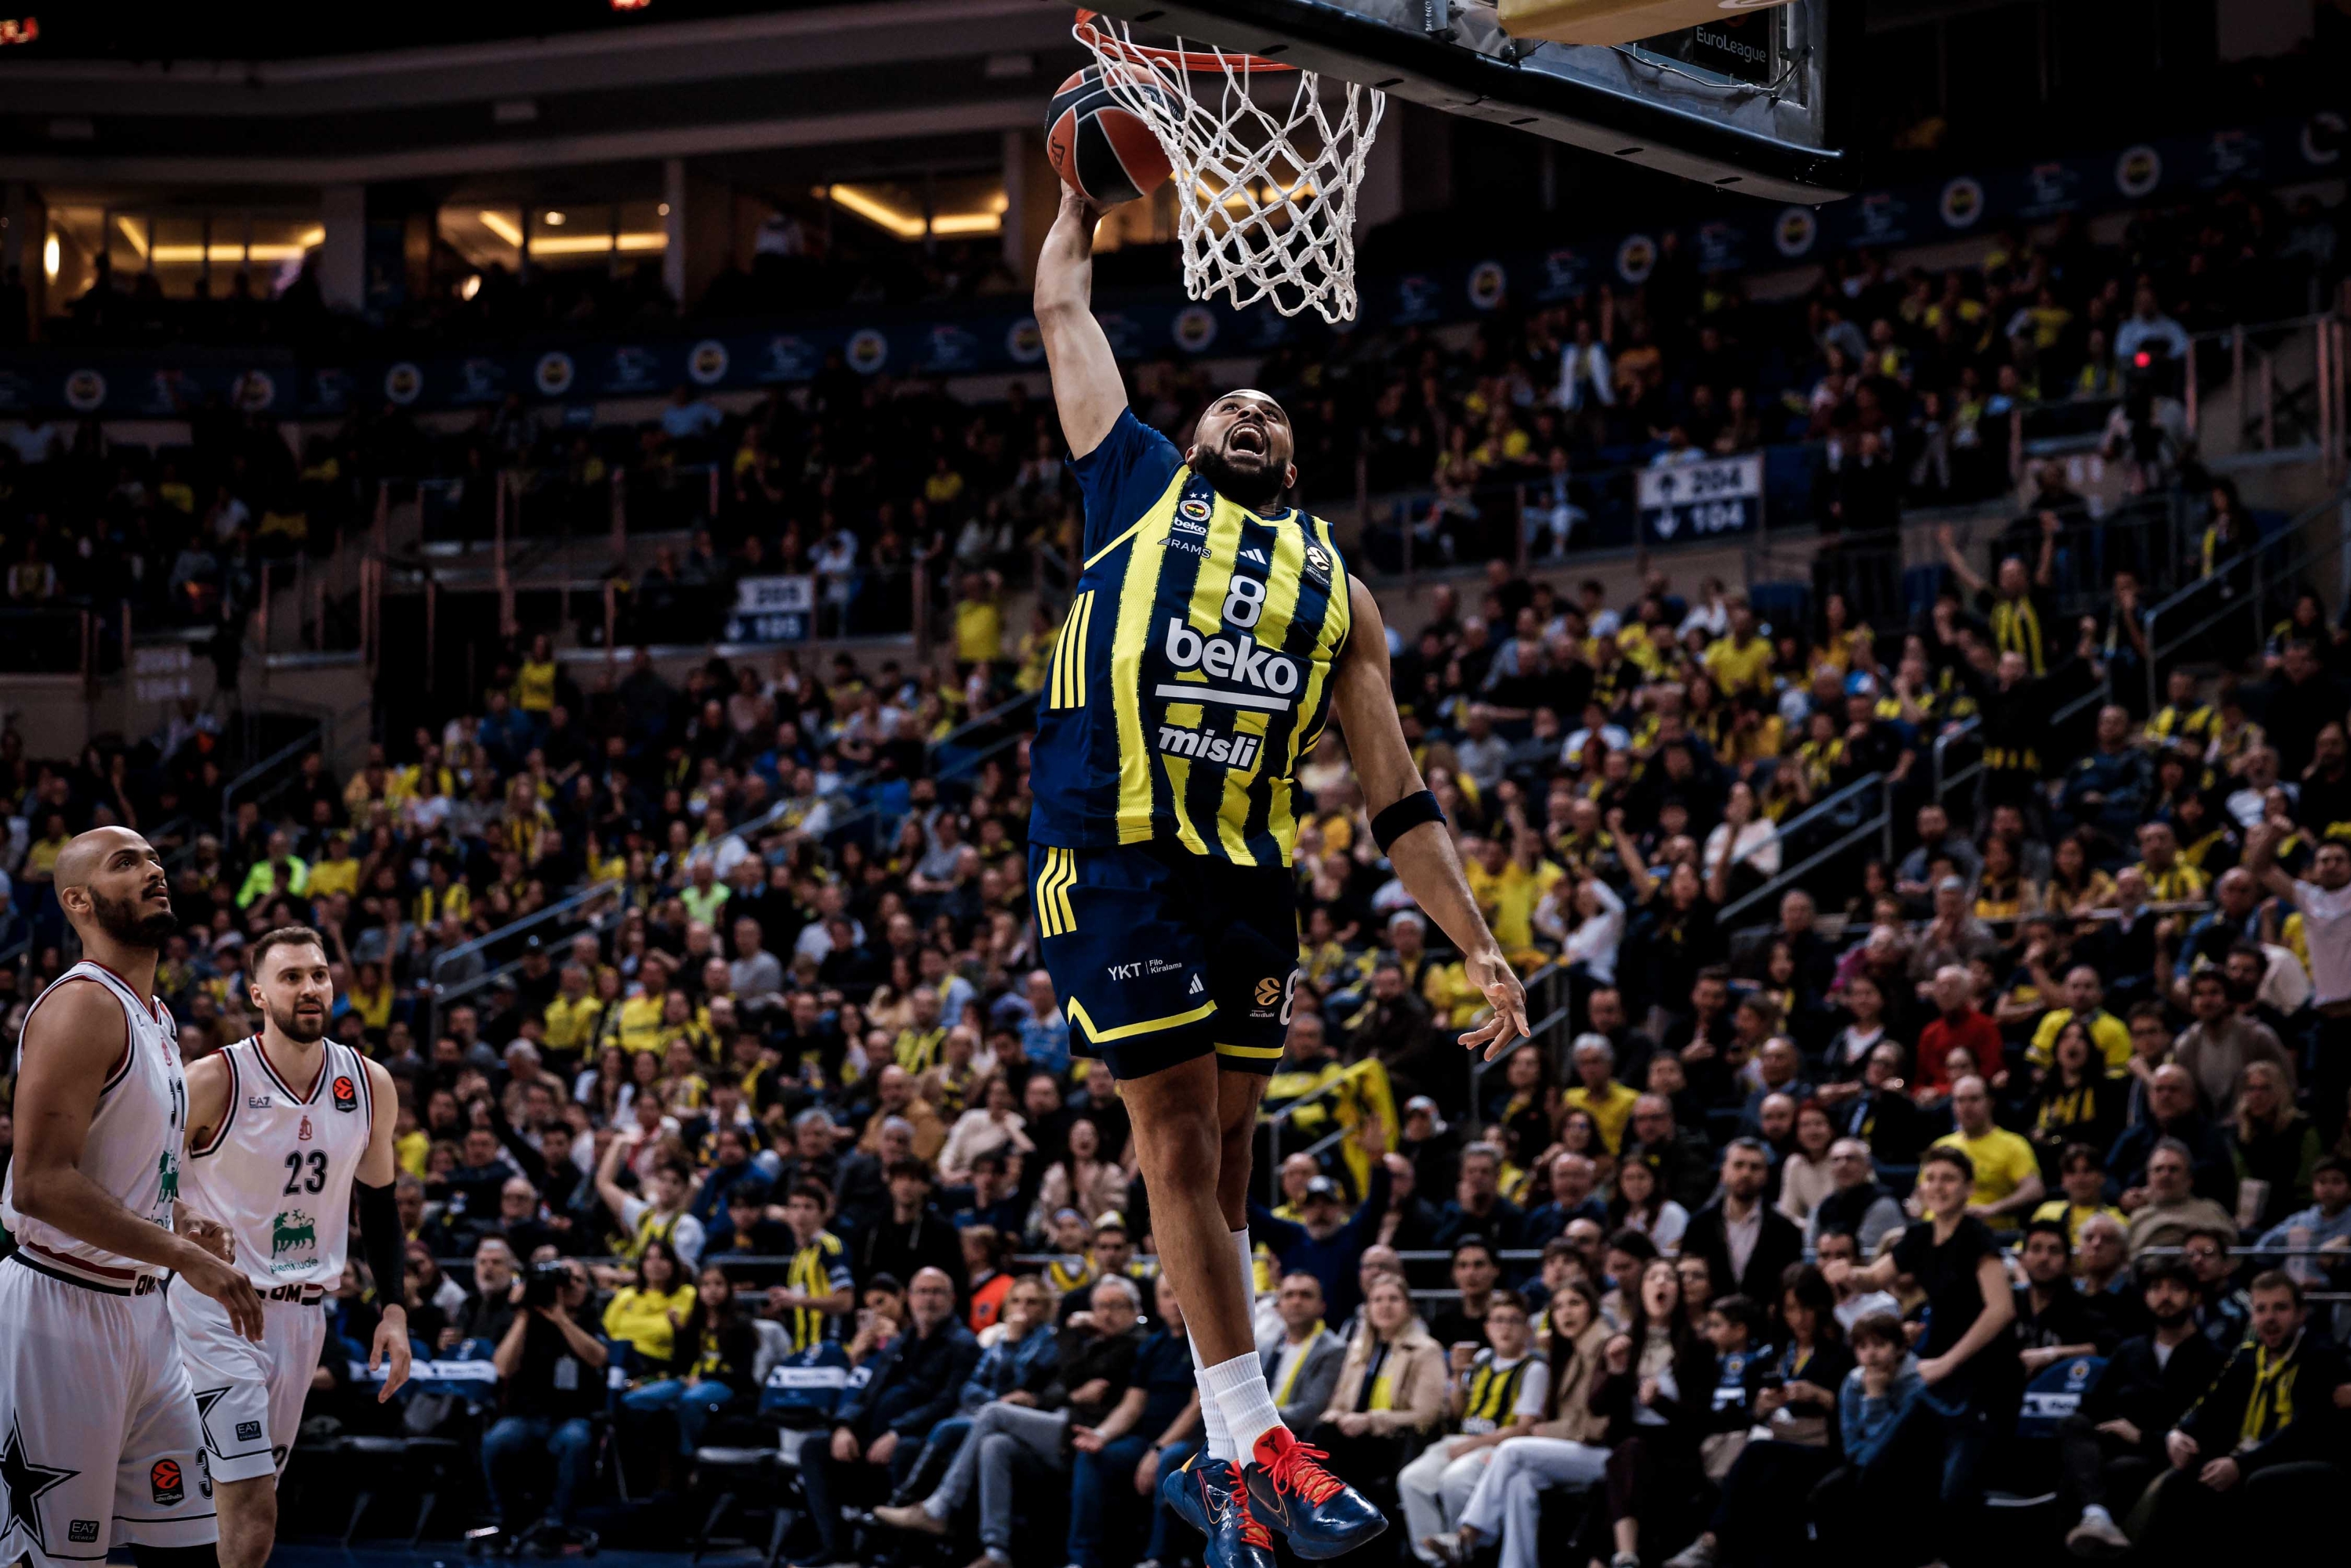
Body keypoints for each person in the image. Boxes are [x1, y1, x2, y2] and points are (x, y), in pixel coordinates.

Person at [1028, 178, 1528, 1565]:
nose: (1248, 414)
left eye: (1273, 415)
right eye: (1225, 409)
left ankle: (1218, 1457)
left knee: (1232, 1155)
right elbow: (1060, 306)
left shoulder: (1335, 589)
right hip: (1107, 846)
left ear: (1292, 467)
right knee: (1177, 1136)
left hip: (1245, 871)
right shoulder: (1127, 481)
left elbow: (1398, 796)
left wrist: (1474, 938)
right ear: (1187, 441)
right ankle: (1253, 1442)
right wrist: (1075, 198)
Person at [0, 827, 267, 1568]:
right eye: (127, 863)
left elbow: (120, 1165)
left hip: (142, 1316)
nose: (154, 871)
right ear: (79, 902)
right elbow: (41, 1183)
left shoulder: (156, 1015)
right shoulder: (83, 1005)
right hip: (61, 1312)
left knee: (187, 1543)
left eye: (153, 859)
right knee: (54, 1560)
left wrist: (178, 1216)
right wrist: (183, 1253)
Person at [173, 926, 412, 1568]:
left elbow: (381, 1204)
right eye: (290, 977)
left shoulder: (368, 1084)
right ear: (257, 993)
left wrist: (394, 1309)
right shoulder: (214, 1079)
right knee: (252, 1506)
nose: (309, 988)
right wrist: (182, 1220)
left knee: (228, 1507)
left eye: (318, 975)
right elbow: (135, 1174)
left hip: (304, 1316)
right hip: (215, 1307)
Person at [1824, 1145, 2018, 1557]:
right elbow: (1876, 1276)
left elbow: (2001, 1309)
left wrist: (1947, 1361)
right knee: (1878, 1468)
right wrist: (1849, 1274)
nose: (1938, 1187)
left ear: (1968, 1188)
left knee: (1955, 1492)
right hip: (1939, 1379)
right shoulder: (1919, 1236)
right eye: (1930, 1178)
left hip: (1985, 1381)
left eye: (1949, 1178)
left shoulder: (1976, 1236)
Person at [2139, 1272, 2351, 1554]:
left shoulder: (2320, 1355)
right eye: (2261, 1309)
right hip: (2249, 1457)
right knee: (2180, 1481)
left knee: (2260, 1483)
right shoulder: (2247, 1355)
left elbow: (2303, 1431)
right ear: (2252, 1316)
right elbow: (2210, 1404)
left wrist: (2242, 1464)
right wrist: (2179, 1433)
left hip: (2305, 1461)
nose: (2270, 1318)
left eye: (2281, 1308)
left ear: (2301, 1315)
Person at [796, 1266, 980, 1568]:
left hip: (923, 1440)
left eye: (937, 1292)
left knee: (908, 1450)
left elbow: (947, 1403)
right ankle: (836, 1548)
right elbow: (867, 1394)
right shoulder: (900, 1343)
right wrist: (844, 1426)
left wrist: (896, 1432)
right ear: (909, 1298)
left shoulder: (963, 1344)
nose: (928, 1300)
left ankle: (902, 1552)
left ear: (952, 1298)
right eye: (922, 1292)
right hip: (874, 1438)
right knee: (815, 1447)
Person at [2057, 1257, 2225, 1556]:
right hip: (2112, 1446)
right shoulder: (2130, 1350)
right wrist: (2110, 1429)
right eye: (2156, 1288)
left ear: (2195, 1297)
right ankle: (2097, 1517)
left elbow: (2208, 1431)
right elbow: (2092, 1408)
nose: (2164, 1297)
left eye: (2175, 1288)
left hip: (2162, 1454)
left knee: (2101, 1475)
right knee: (2072, 1426)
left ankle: (2098, 1522)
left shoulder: (2214, 1358)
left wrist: (2140, 1436)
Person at [1398, 1290, 1549, 1562]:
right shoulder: (1482, 1360)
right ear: (1487, 1328)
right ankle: (1437, 1560)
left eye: (1513, 1321)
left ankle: (1471, 1550)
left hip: (1498, 1447)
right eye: (1499, 1321)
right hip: (1462, 1440)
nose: (1505, 1328)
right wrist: (1457, 1375)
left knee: (1454, 1481)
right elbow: (1458, 1412)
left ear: (1528, 1329)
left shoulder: (1534, 1369)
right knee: (1411, 1480)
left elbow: (1524, 1428)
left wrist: (1473, 1444)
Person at [484, 1257, 609, 1547]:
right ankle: (507, 1521)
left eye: (577, 1280)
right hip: (525, 1416)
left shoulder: (589, 1317)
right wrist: (524, 1315)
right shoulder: (526, 1321)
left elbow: (598, 1357)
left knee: (576, 1440)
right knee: (497, 1441)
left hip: (572, 1416)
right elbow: (502, 1367)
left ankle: (557, 1523)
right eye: (564, 1281)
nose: (568, 1287)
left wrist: (562, 1319)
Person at [1683, 1137, 1805, 1303]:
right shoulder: (1698, 1226)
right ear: (1723, 1172)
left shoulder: (1786, 1231)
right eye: (1738, 1165)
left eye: (1755, 1167)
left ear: (1766, 1175)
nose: (1746, 1173)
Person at [1931, 1075, 2047, 1221]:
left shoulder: (2013, 1144)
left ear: (1990, 1102)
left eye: (1974, 1099)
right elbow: (1919, 1193)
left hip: (1988, 1231)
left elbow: (2034, 1190)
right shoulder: (1941, 1146)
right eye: (1960, 1100)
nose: (1966, 1107)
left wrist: (1993, 1208)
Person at [1256, 1272, 1348, 1436]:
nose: (1296, 1302)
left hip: (1298, 1438)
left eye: (1306, 1295)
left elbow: (1312, 1408)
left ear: (1322, 1306)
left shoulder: (1333, 1349)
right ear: (1278, 1306)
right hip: (1258, 1431)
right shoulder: (1268, 1345)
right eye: (1289, 1295)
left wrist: (1256, 1419)